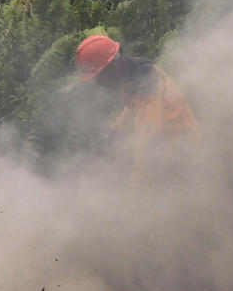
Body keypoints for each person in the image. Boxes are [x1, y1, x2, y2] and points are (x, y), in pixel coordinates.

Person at [75, 34, 198, 181]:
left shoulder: (146, 81)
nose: (98, 82)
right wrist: (114, 130)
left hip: (183, 154)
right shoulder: (131, 76)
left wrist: (136, 184)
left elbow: (148, 139)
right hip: (168, 151)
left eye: (99, 75)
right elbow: (133, 108)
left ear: (113, 65)